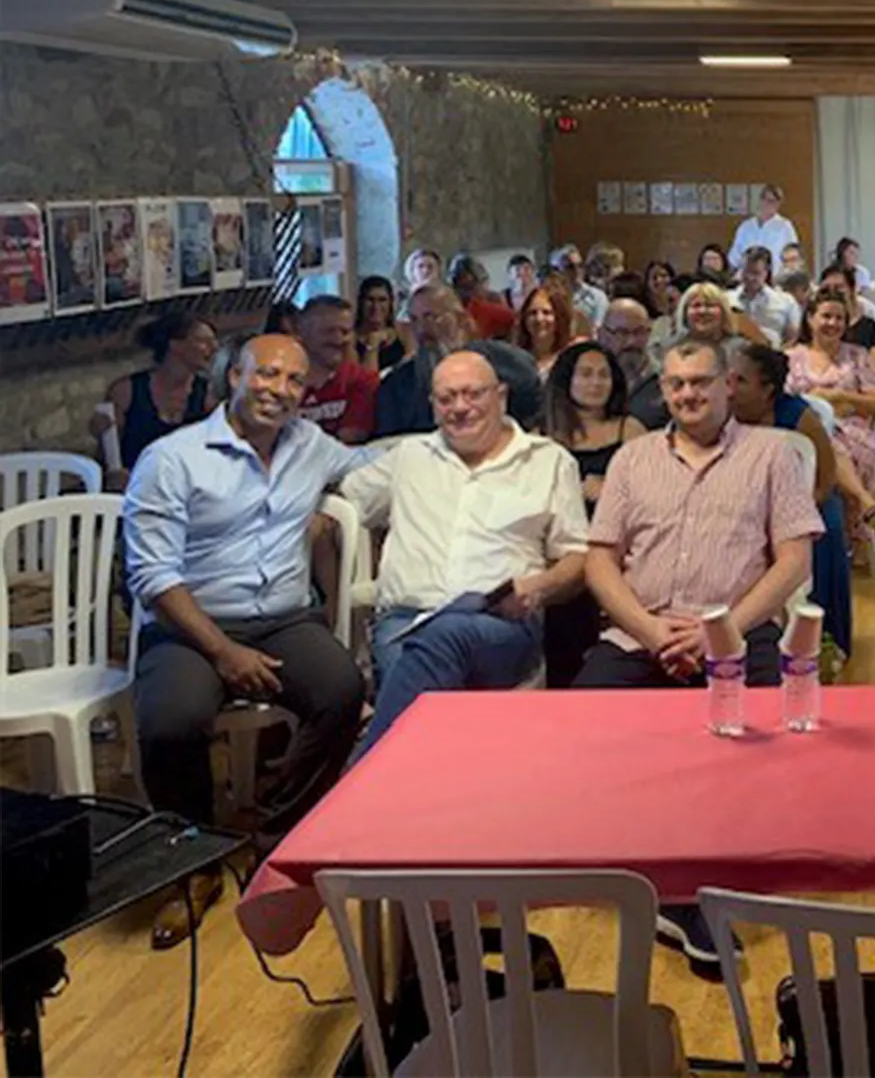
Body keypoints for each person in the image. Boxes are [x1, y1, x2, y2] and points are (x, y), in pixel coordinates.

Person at [578, 336, 820, 971]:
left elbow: (794, 559)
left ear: (727, 386)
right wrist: (651, 631)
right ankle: (659, 876)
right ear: (664, 390)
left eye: (701, 383)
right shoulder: (633, 460)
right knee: (583, 722)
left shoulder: (771, 454)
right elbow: (600, 561)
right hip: (642, 631)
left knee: (763, 734)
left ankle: (695, 884)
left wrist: (722, 631)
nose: (688, 395)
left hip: (736, 630)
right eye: (677, 384)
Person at [123, 336, 368, 947]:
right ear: (234, 376)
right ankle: (194, 863)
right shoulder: (172, 458)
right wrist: (222, 652)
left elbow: (372, 463)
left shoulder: (310, 445)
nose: (280, 391)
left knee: (342, 690)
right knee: (171, 720)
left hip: (284, 618)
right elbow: (153, 578)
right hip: (190, 624)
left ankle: (275, 839)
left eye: (294, 381)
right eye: (267, 375)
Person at [343, 352, 588, 755]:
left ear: (501, 396)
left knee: (442, 639)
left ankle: (361, 776)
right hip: (405, 621)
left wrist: (538, 586)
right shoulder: (409, 456)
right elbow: (344, 502)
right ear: (432, 405)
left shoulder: (548, 461)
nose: (459, 407)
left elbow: (577, 557)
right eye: (446, 398)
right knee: (421, 668)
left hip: (499, 624)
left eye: (473, 394)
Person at [730, 343, 853, 665]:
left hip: (806, 500)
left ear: (767, 388)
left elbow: (826, 478)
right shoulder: (722, 414)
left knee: (824, 529)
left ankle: (824, 638)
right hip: (745, 503)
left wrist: (791, 518)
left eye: (741, 381)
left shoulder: (799, 416)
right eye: (728, 379)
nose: (730, 388)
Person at [542, 341, 644, 687]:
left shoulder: (630, 430)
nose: (596, 383)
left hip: (615, 546)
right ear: (566, 380)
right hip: (558, 549)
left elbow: (652, 494)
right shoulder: (542, 434)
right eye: (585, 374)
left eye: (603, 375)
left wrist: (612, 490)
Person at [787, 290, 875, 538]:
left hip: (851, 430)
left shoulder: (857, 355)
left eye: (839, 318)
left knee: (833, 444)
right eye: (826, 316)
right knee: (821, 441)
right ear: (810, 318)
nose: (833, 323)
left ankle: (844, 528)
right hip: (802, 431)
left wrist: (841, 396)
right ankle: (864, 500)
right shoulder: (791, 357)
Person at [94, 310, 217, 484]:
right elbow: (107, 457)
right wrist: (102, 434)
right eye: (203, 341)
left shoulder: (208, 394)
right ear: (175, 345)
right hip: (135, 485)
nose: (214, 347)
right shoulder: (126, 392)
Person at [375, 282, 470, 437]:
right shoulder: (395, 384)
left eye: (431, 317)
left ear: (460, 319)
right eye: (414, 319)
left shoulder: (495, 365)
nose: (421, 328)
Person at [295, 296, 378, 444]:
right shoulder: (281, 382)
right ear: (303, 331)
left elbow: (350, 439)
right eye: (329, 331)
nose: (338, 339)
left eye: (345, 332)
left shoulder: (362, 380)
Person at [598, 297, 669, 429]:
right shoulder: (588, 380)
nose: (631, 341)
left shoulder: (666, 382)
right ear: (602, 335)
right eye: (621, 333)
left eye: (639, 332)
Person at [731, 245, 802, 347]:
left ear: (766, 272)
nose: (750, 277)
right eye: (746, 271)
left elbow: (793, 337)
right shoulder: (728, 299)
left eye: (756, 273)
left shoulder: (785, 301)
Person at [512, 279, 577, 379]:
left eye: (546, 312)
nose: (539, 319)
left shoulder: (573, 360)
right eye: (533, 313)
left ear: (560, 317)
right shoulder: (513, 359)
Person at [728, 184, 801, 272]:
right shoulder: (746, 227)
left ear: (778, 204)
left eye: (773, 201)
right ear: (760, 200)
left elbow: (793, 256)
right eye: (766, 200)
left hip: (776, 276)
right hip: (749, 276)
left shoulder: (785, 226)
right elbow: (735, 256)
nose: (769, 204)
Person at [449, 253, 516, 341]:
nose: (463, 282)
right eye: (459, 279)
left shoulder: (489, 303)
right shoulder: (448, 308)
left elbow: (513, 320)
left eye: (465, 277)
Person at [353, 275, 408, 372]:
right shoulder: (350, 338)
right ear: (361, 302)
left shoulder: (404, 332)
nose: (375, 306)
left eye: (382, 300)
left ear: (390, 302)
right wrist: (372, 345)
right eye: (370, 299)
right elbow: (365, 379)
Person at [548, 243, 609, 331]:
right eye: (570, 267)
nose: (577, 270)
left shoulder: (598, 297)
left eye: (580, 265)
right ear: (558, 271)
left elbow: (598, 329)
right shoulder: (550, 297)